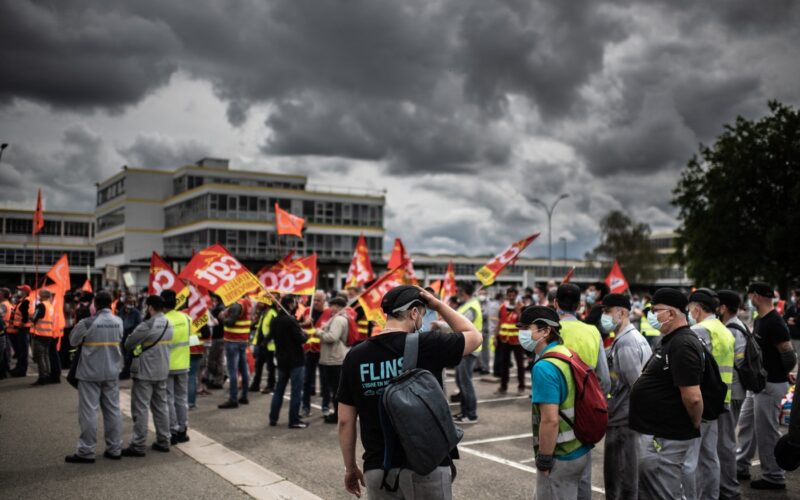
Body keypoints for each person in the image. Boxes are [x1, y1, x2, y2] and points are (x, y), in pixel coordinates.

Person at [337, 285, 482, 499]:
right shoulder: (428, 344)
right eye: (422, 314)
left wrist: (350, 468)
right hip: (427, 465)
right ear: (414, 312)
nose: (422, 320)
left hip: (378, 467)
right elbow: (474, 336)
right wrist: (438, 304)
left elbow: (345, 421)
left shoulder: (355, 356)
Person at [630, 288, 704, 500]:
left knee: (663, 492)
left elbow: (693, 397)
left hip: (667, 437)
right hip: (661, 434)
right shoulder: (674, 340)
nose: (651, 315)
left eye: (655, 311)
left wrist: (694, 422)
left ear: (671, 314)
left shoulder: (682, 344)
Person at [517, 305, 592, 499]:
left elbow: (550, 420)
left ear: (545, 331)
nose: (521, 333)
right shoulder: (565, 353)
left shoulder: (544, 366)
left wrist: (544, 460)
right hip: (578, 447)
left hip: (561, 454)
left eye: (527, 327)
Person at [736, 282, 797, 490]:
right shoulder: (760, 319)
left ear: (757, 296)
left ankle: (774, 477)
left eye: (750, 295)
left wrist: (781, 373)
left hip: (771, 385)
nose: (749, 299)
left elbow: (788, 354)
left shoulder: (775, 322)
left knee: (767, 432)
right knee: (746, 425)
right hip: (759, 385)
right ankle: (741, 465)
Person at [553, 283, 610, 500]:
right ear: (579, 305)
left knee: (555, 478)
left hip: (555, 412)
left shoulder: (551, 331)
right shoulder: (593, 331)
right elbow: (604, 379)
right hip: (585, 411)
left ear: (555, 303)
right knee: (583, 475)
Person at [681, 289, 735, 500]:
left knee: (689, 460)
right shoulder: (724, 329)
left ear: (696, 308)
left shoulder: (699, 330)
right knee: (710, 456)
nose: (689, 312)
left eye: (690, 308)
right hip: (721, 399)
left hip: (701, 400)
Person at [601, 293, 651, 500]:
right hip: (625, 418)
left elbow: (636, 386)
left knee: (622, 477)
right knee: (624, 473)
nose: (603, 317)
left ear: (621, 313)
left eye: (607, 312)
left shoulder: (626, 343)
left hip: (624, 420)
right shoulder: (629, 338)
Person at [65, 291, 123, 463]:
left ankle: (86, 451)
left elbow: (72, 341)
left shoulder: (87, 322)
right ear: (111, 304)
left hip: (90, 372)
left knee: (89, 412)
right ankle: (115, 449)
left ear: (95, 305)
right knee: (113, 411)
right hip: (112, 372)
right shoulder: (118, 321)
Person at [122, 295, 173, 456]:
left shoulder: (147, 324)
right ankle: (164, 440)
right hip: (162, 370)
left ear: (150, 307)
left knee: (141, 408)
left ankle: (138, 445)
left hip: (145, 371)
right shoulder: (168, 323)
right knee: (161, 407)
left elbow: (128, 343)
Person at [716, 289, 748, 500]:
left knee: (725, 443)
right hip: (734, 390)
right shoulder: (735, 326)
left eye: (717, 305)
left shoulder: (733, 329)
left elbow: (739, 361)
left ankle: (728, 489)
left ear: (724, 308)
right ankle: (726, 486)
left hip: (732, 392)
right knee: (724, 442)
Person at [268, 295, 309, 428]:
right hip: (295, 360)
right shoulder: (291, 321)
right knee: (296, 391)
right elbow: (301, 339)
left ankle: (273, 418)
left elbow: (269, 337)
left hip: (281, 359)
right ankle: (294, 420)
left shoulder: (275, 320)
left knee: (279, 390)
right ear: (291, 304)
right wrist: (306, 334)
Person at [162, 290, 194, 444]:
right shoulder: (187, 318)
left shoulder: (163, 320)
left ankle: (172, 431)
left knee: (168, 399)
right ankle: (183, 430)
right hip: (184, 364)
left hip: (167, 365)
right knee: (181, 398)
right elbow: (192, 340)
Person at [453, 281, 483, 425]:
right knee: (461, 381)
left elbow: (459, 324)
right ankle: (465, 411)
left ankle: (471, 414)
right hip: (464, 347)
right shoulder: (468, 305)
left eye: (458, 290)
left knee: (465, 383)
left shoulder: (471, 306)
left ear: (463, 291)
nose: (457, 292)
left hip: (469, 348)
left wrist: (440, 324)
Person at [318, 296, 350, 424]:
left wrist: (319, 333)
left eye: (331, 305)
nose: (330, 308)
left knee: (336, 389)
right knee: (336, 388)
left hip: (334, 358)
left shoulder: (338, 319)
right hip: (335, 356)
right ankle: (337, 413)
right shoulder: (341, 318)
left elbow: (332, 337)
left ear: (336, 306)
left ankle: (337, 414)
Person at [218, 295, 252, 409]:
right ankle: (244, 396)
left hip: (233, 341)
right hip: (242, 340)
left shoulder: (237, 305)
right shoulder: (247, 302)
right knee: (243, 370)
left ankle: (233, 399)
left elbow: (230, 322)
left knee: (233, 371)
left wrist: (222, 317)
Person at [300, 290, 329, 417]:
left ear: (324, 301)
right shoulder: (307, 311)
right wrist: (303, 323)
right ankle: (305, 407)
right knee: (306, 381)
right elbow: (297, 327)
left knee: (325, 382)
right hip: (309, 351)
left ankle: (326, 407)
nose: (316, 302)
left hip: (323, 351)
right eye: (314, 300)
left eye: (318, 300)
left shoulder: (329, 313)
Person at [495, 286, 525, 395]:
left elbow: (524, 323)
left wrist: (518, 311)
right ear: (507, 295)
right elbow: (499, 322)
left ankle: (521, 386)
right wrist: (495, 337)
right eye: (509, 295)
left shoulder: (521, 307)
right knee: (504, 364)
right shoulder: (502, 307)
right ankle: (503, 387)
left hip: (517, 340)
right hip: (504, 340)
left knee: (520, 364)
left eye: (513, 295)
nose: (511, 297)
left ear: (516, 295)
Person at [250, 298, 278, 394]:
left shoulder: (272, 313)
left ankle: (271, 385)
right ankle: (256, 384)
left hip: (269, 345)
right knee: (258, 365)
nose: (259, 302)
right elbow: (261, 326)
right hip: (261, 343)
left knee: (270, 367)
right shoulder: (264, 312)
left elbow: (273, 329)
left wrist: (266, 340)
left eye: (262, 301)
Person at [30, 288, 55, 385]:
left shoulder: (41, 305)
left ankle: (42, 377)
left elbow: (34, 318)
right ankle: (47, 375)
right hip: (48, 335)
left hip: (40, 334)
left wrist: (31, 317)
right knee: (45, 356)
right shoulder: (50, 305)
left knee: (40, 357)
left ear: (43, 296)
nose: (38, 296)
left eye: (40, 294)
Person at [7, 285, 32, 378]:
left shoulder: (26, 301)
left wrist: (21, 323)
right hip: (21, 329)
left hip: (23, 329)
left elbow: (25, 315)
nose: (18, 291)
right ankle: (19, 368)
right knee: (21, 350)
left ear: (25, 291)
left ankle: (21, 370)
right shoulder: (23, 300)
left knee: (23, 351)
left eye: (20, 290)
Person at [118, 294, 142, 379]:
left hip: (131, 335)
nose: (130, 304)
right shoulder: (121, 311)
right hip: (123, 335)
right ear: (125, 303)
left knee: (129, 355)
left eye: (132, 302)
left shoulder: (136, 312)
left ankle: (126, 372)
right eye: (129, 302)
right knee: (124, 354)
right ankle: (127, 370)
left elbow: (139, 324)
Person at [205, 295, 226, 389]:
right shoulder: (221, 307)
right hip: (220, 336)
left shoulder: (218, 308)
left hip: (217, 337)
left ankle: (218, 378)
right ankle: (219, 379)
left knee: (211, 360)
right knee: (219, 360)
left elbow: (215, 321)